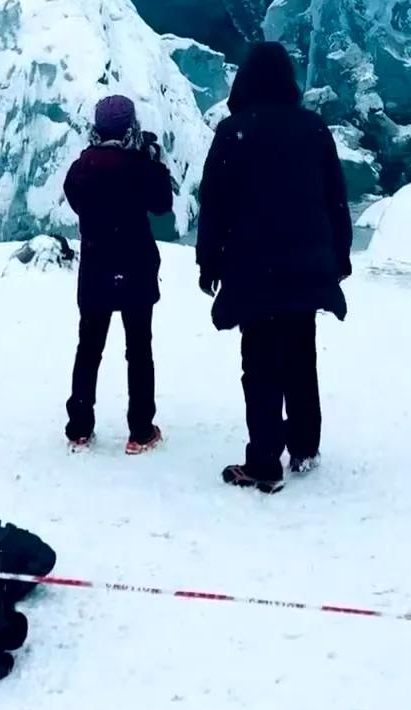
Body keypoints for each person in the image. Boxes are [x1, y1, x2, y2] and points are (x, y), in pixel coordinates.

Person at [195, 41, 352, 494]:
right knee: (301, 354)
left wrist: (209, 262)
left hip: (252, 267)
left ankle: (264, 460)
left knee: (260, 363)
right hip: (306, 266)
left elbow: (215, 205)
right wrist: (338, 256)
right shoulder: (314, 129)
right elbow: (334, 199)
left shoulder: (233, 132)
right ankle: (304, 445)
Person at [63, 94, 174, 454]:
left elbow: (77, 199)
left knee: (89, 348)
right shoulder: (139, 166)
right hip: (136, 266)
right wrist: (153, 162)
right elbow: (161, 205)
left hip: (96, 267)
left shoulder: (82, 167)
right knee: (139, 349)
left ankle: (79, 426)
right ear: (131, 127)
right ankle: (140, 430)